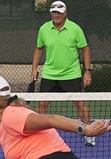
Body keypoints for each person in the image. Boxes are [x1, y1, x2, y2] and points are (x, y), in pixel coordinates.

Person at [31, 1, 96, 146]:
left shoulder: (75, 29)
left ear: (65, 13)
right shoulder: (44, 29)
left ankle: (89, 133)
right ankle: (41, 134)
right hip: (49, 74)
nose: (56, 14)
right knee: (42, 104)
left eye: (59, 12)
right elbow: (38, 49)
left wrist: (87, 71)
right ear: (51, 13)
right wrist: (34, 69)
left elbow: (85, 50)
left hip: (71, 74)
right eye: (54, 12)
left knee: (80, 104)